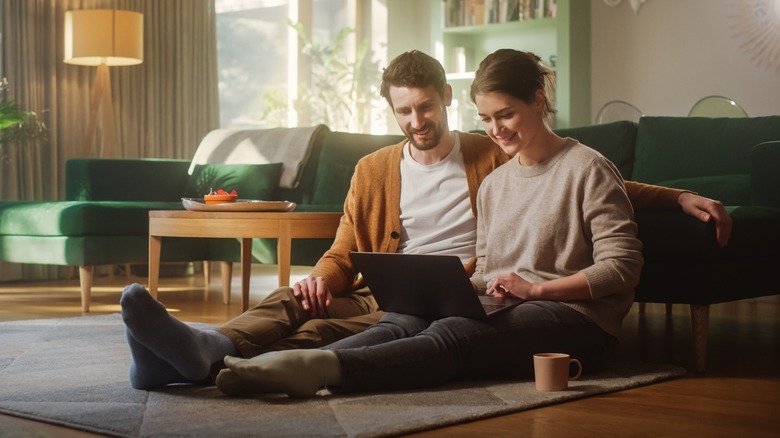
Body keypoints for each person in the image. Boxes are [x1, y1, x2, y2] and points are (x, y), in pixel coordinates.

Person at [120, 49, 732, 390]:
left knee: (353, 335)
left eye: (427, 107)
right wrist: (323, 280)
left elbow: (590, 183)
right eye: (404, 111)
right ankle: (202, 349)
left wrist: (676, 196)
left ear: (444, 101)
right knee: (295, 301)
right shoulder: (378, 170)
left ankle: (238, 369)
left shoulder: (492, 156)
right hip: (394, 290)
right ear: (393, 112)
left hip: (463, 293)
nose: (417, 121)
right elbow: (344, 249)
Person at [212, 48, 645, 397]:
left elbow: (622, 268)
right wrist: (460, 289)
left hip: (576, 317)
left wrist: (535, 289)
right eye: (487, 120)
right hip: (512, 304)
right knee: (405, 320)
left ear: (538, 100)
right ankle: (273, 365)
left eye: (506, 115)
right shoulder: (495, 184)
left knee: (453, 332)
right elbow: (491, 265)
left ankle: (326, 369)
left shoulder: (587, 167)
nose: (497, 130)